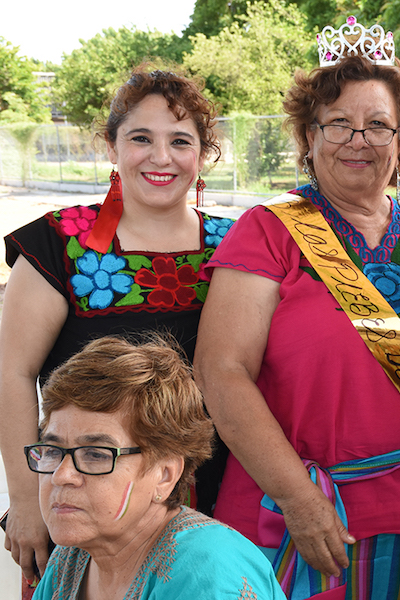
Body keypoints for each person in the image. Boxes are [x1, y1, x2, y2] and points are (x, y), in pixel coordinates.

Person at [193, 16, 400, 599]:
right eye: (338, 124)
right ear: (309, 139)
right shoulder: (268, 232)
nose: (357, 140)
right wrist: (299, 499)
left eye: (377, 126)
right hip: (289, 513)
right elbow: (221, 371)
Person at [0, 65, 233, 594]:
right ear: (110, 146)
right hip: (84, 495)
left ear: (203, 153)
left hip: (212, 497)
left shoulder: (235, 248)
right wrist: (26, 499)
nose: (161, 157)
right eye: (140, 138)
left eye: (180, 141)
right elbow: (12, 372)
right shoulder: (58, 244)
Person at [26, 335, 284, 599]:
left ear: (165, 475)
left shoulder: (208, 573)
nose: (61, 475)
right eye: (52, 451)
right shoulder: (71, 558)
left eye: (95, 454)